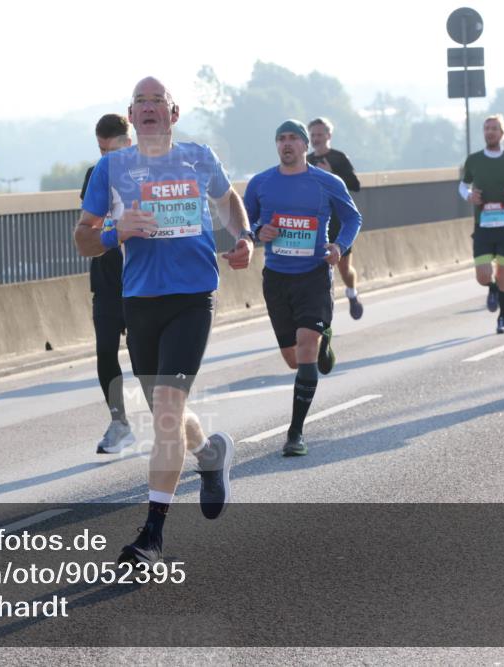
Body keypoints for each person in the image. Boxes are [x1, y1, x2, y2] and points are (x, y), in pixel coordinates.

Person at [74, 77, 254, 564]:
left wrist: (244, 236)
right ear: (130, 117)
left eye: (158, 101)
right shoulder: (111, 168)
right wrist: (115, 232)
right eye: (141, 102)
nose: (149, 108)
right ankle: (212, 456)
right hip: (140, 299)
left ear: (174, 114)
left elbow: (227, 199)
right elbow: (84, 238)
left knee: (169, 410)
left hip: (193, 296)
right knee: (166, 416)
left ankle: (152, 535)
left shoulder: (199, 157)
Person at [246, 119, 362, 456]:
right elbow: (245, 223)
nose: (286, 144)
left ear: (304, 145)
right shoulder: (260, 183)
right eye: (280, 139)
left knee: (305, 346)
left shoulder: (327, 182)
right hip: (277, 278)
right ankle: (324, 342)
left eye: (292, 139)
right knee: (293, 359)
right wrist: (257, 232)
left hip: (313, 274)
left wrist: (339, 246)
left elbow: (353, 218)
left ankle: (295, 434)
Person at [79, 114, 135, 454]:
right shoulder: (96, 174)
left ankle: (169, 421)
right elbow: (90, 225)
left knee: (146, 360)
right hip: (106, 276)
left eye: (111, 149)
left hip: (143, 277)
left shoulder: (150, 173)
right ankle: (119, 422)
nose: (105, 157)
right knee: (105, 350)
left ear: (128, 143)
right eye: (100, 150)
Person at [458, 114, 504, 334]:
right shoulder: (474, 160)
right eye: (487, 128)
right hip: (483, 225)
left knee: (503, 275)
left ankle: (503, 318)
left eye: (495, 128)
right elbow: (462, 187)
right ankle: (492, 289)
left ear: (502, 133)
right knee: (482, 275)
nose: (490, 132)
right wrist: (469, 196)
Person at [307, 117, 364, 319]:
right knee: (318, 273)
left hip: (339, 224)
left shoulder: (339, 158)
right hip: (315, 225)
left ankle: (352, 293)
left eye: (320, 134)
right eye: (312, 135)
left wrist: (331, 174)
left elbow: (356, 185)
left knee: (344, 269)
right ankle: (320, 317)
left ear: (328, 135)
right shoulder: (306, 161)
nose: (316, 139)